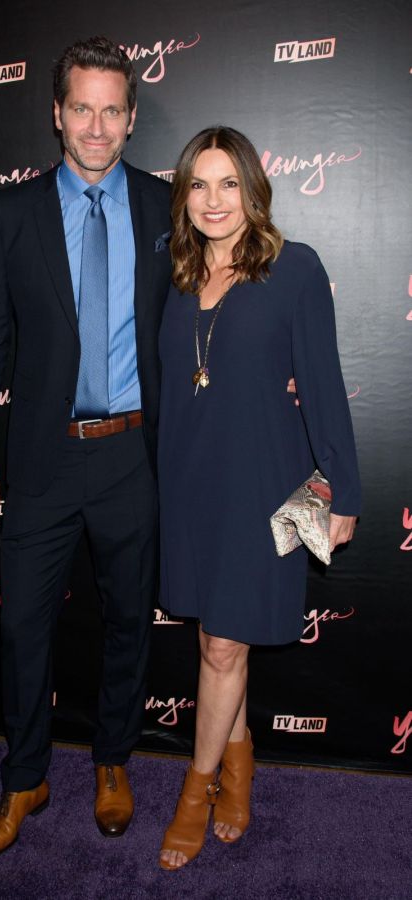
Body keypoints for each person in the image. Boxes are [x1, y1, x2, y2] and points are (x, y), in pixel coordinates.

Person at [0, 36, 173, 861]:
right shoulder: (10, 212)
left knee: (128, 621)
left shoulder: (165, 207)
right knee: (22, 628)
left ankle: (113, 760)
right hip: (41, 459)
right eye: (80, 108)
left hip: (133, 456)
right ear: (56, 113)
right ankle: (24, 777)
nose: (95, 127)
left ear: (130, 117)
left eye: (111, 110)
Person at [156, 126, 360, 870]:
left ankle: (197, 789)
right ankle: (240, 765)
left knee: (221, 646)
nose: (214, 200)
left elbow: (324, 386)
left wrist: (343, 489)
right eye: (199, 184)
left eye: (229, 183)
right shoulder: (175, 272)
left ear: (253, 189)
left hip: (263, 485)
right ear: (183, 195)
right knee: (218, 634)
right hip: (188, 483)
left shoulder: (292, 268)